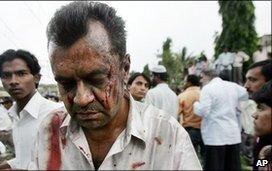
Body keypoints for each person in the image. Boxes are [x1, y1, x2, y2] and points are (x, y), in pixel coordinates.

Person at [29, 2, 201, 170]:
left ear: (125, 69)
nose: (81, 99)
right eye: (66, 84)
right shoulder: (49, 130)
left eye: (96, 80)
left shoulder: (168, 136)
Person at [0, 49, 62, 170]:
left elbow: (67, 162)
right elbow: (26, 157)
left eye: (21, 74)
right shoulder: (15, 115)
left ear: (36, 78)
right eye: (6, 75)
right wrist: (5, 165)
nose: (13, 81)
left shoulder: (56, 114)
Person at [193, 69, 248, 171]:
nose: (201, 80)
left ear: (207, 76)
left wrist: (195, 105)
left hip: (215, 136)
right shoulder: (233, 86)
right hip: (232, 134)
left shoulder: (208, 89)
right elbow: (246, 94)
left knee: (214, 167)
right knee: (232, 167)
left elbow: (203, 111)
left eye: (202, 77)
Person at [178, 75, 204, 160]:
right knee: (206, 158)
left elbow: (177, 113)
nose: (184, 83)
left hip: (189, 131)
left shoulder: (182, 96)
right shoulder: (204, 93)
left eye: (185, 81)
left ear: (189, 83)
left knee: (191, 160)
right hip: (205, 130)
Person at [251, 81, 272, 170]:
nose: (254, 115)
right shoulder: (263, 142)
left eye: (261, 108)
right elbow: (260, 166)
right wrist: (263, 163)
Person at [0, 96, 14, 166]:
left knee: (15, 145)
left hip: (10, 132)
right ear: (6, 104)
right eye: (10, 104)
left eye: (11, 104)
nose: (11, 106)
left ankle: (17, 158)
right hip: (1, 133)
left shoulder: (12, 110)